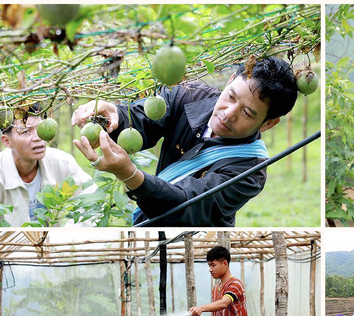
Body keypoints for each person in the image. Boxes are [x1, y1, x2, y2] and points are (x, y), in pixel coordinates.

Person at [71, 57, 298, 226]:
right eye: (230, 96)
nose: (229, 114)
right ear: (230, 81)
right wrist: (116, 115)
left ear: (268, 124)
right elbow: (142, 119)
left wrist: (129, 174)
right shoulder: (190, 95)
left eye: (247, 113)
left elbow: (186, 205)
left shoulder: (250, 172)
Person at [0, 103, 93, 226]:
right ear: (7, 141)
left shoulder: (63, 163)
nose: (37, 137)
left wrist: (66, 236)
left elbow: (92, 199)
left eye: (40, 128)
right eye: (26, 131)